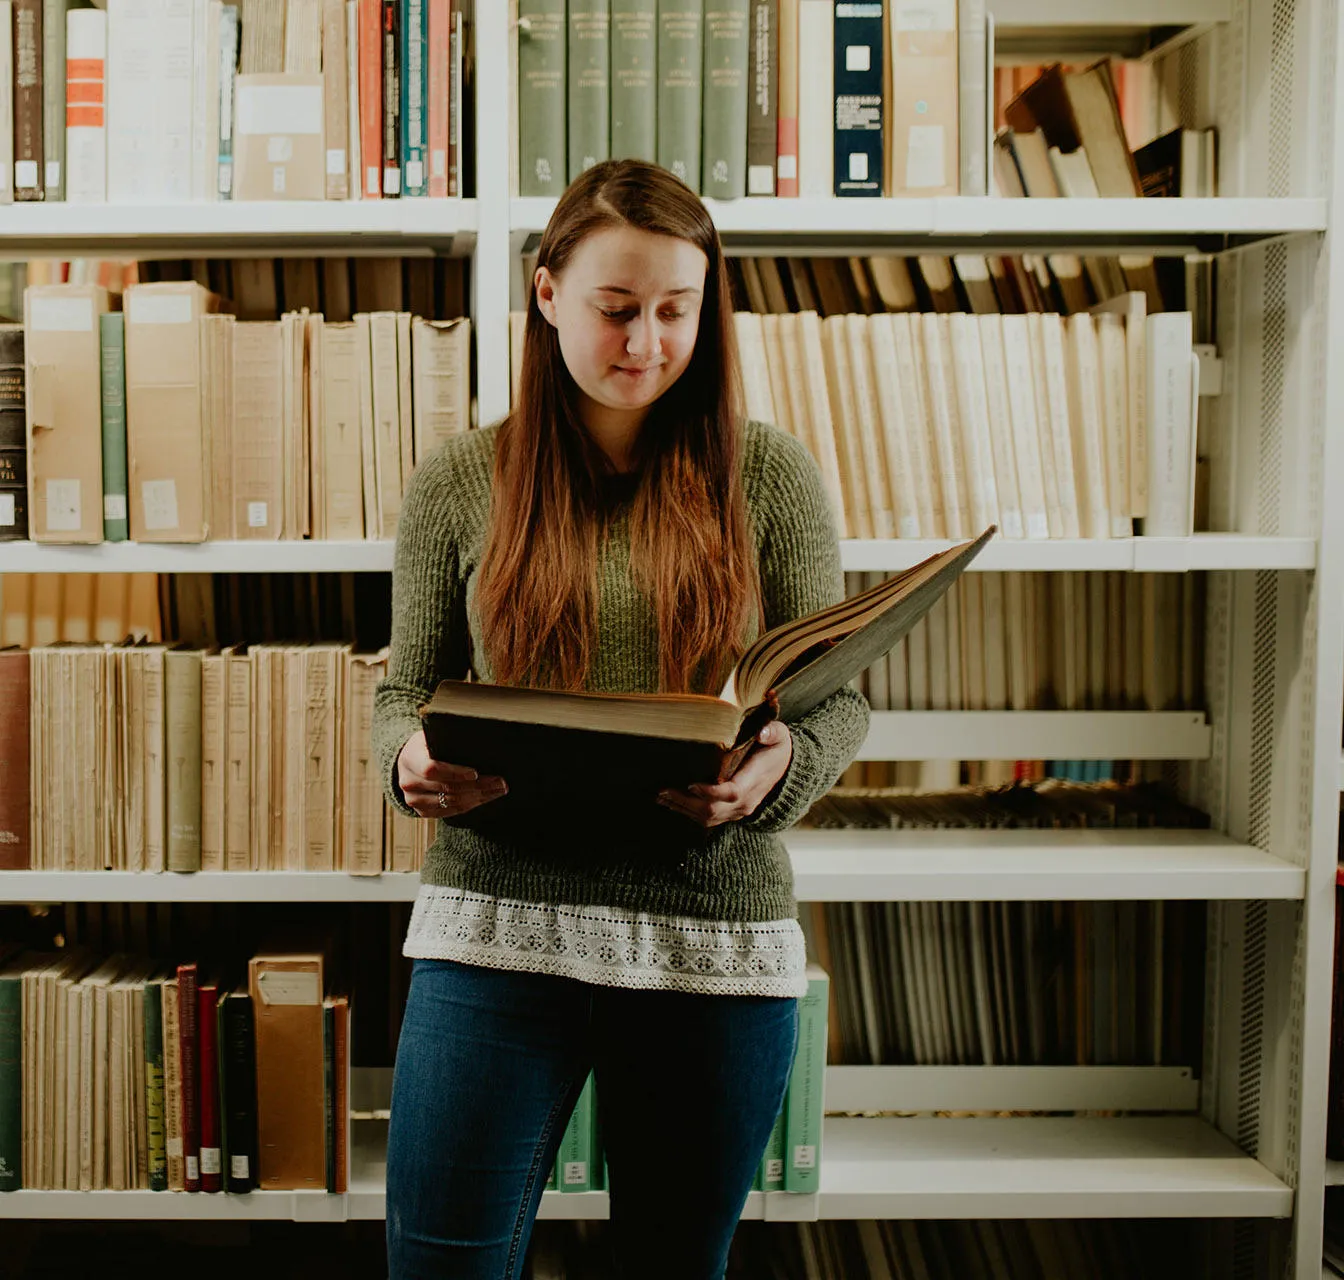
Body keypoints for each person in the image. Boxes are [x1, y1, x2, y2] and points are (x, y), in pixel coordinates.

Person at [375, 157, 870, 1280]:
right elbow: (403, 690)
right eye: (615, 308)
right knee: (439, 1262)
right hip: (495, 927)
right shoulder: (461, 481)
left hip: (713, 940)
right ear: (547, 293)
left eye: (675, 310)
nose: (645, 341)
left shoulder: (773, 476)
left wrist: (777, 769)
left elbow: (837, 705)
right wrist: (403, 755)